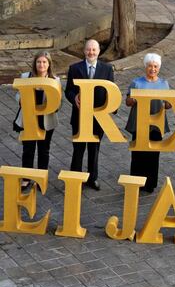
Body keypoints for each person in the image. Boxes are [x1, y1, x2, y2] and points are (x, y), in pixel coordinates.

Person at [65, 39, 114, 191]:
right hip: (79, 116)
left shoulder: (107, 69)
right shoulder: (74, 68)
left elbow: (111, 90)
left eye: (94, 50)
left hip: (99, 117)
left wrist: (111, 109)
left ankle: (93, 178)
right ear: (84, 51)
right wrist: (74, 98)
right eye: (88, 50)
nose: (91, 52)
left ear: (99, 51)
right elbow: (68, 90)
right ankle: (75, 179)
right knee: (78, 149)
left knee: (94, 149)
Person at [125, 53, 175, 193]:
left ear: (159, 68)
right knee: (138, 155)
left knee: (153, 156)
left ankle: (150, 183)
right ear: (145, 67)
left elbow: (166, 105)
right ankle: (137, 182)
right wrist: (133, 100)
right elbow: (127, 102)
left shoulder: (164, 84)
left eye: (155, 66)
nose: (152, 69)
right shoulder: (137, 82)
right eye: (150, 66)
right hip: (139, 123)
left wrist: (172, 103)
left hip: (156, 125)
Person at [15, 51, 60, 191]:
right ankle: (26, 178)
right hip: (29, 119)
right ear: (35, 63)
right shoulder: (25, 77)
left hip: (46, 120)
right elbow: (17, 96)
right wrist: (21, 99)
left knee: (44, 150)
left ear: (49, 64)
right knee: (28, 149)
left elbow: (59, 103)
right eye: (39, 62)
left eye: (44, 62)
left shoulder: (55, 80)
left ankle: (41, 178)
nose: (41, 65)